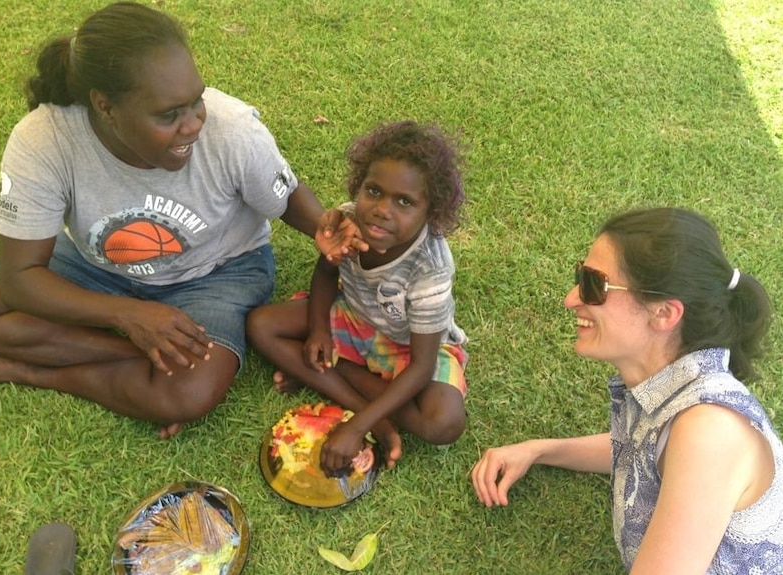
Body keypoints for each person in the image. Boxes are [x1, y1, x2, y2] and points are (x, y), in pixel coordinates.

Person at [0, 2, 363, 439]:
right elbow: (20, 278)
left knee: (188, 393)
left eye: (196, 101)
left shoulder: (231, 129)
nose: (193, 124)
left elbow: (285, 195)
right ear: (104, 107)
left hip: (217, 271)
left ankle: (32, 370)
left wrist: (322, 228)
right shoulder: (44, 139)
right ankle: (144, 359)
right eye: (169, 115)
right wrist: (129, 316)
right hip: (99, 266)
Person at [471, 207, 783, 573]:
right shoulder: (669, 386)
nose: (571, 299)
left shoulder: (709, 433)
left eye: (594, 285)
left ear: (664, 314)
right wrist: (539, 450)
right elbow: (642, 449)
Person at [247, 120, 469, 473]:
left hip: (409, 346)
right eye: (374, 191)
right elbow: (325, 272)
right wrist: (319, 330)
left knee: (443, 423)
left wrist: (355, 426)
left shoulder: (431, 269)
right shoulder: (350, 220)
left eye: (404, 202)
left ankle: (334, 371)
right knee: (260, 325)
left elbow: (422, 367)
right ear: (359, 186)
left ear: (432, 212)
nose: (382, 209)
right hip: (351, 317)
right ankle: (356, 393)